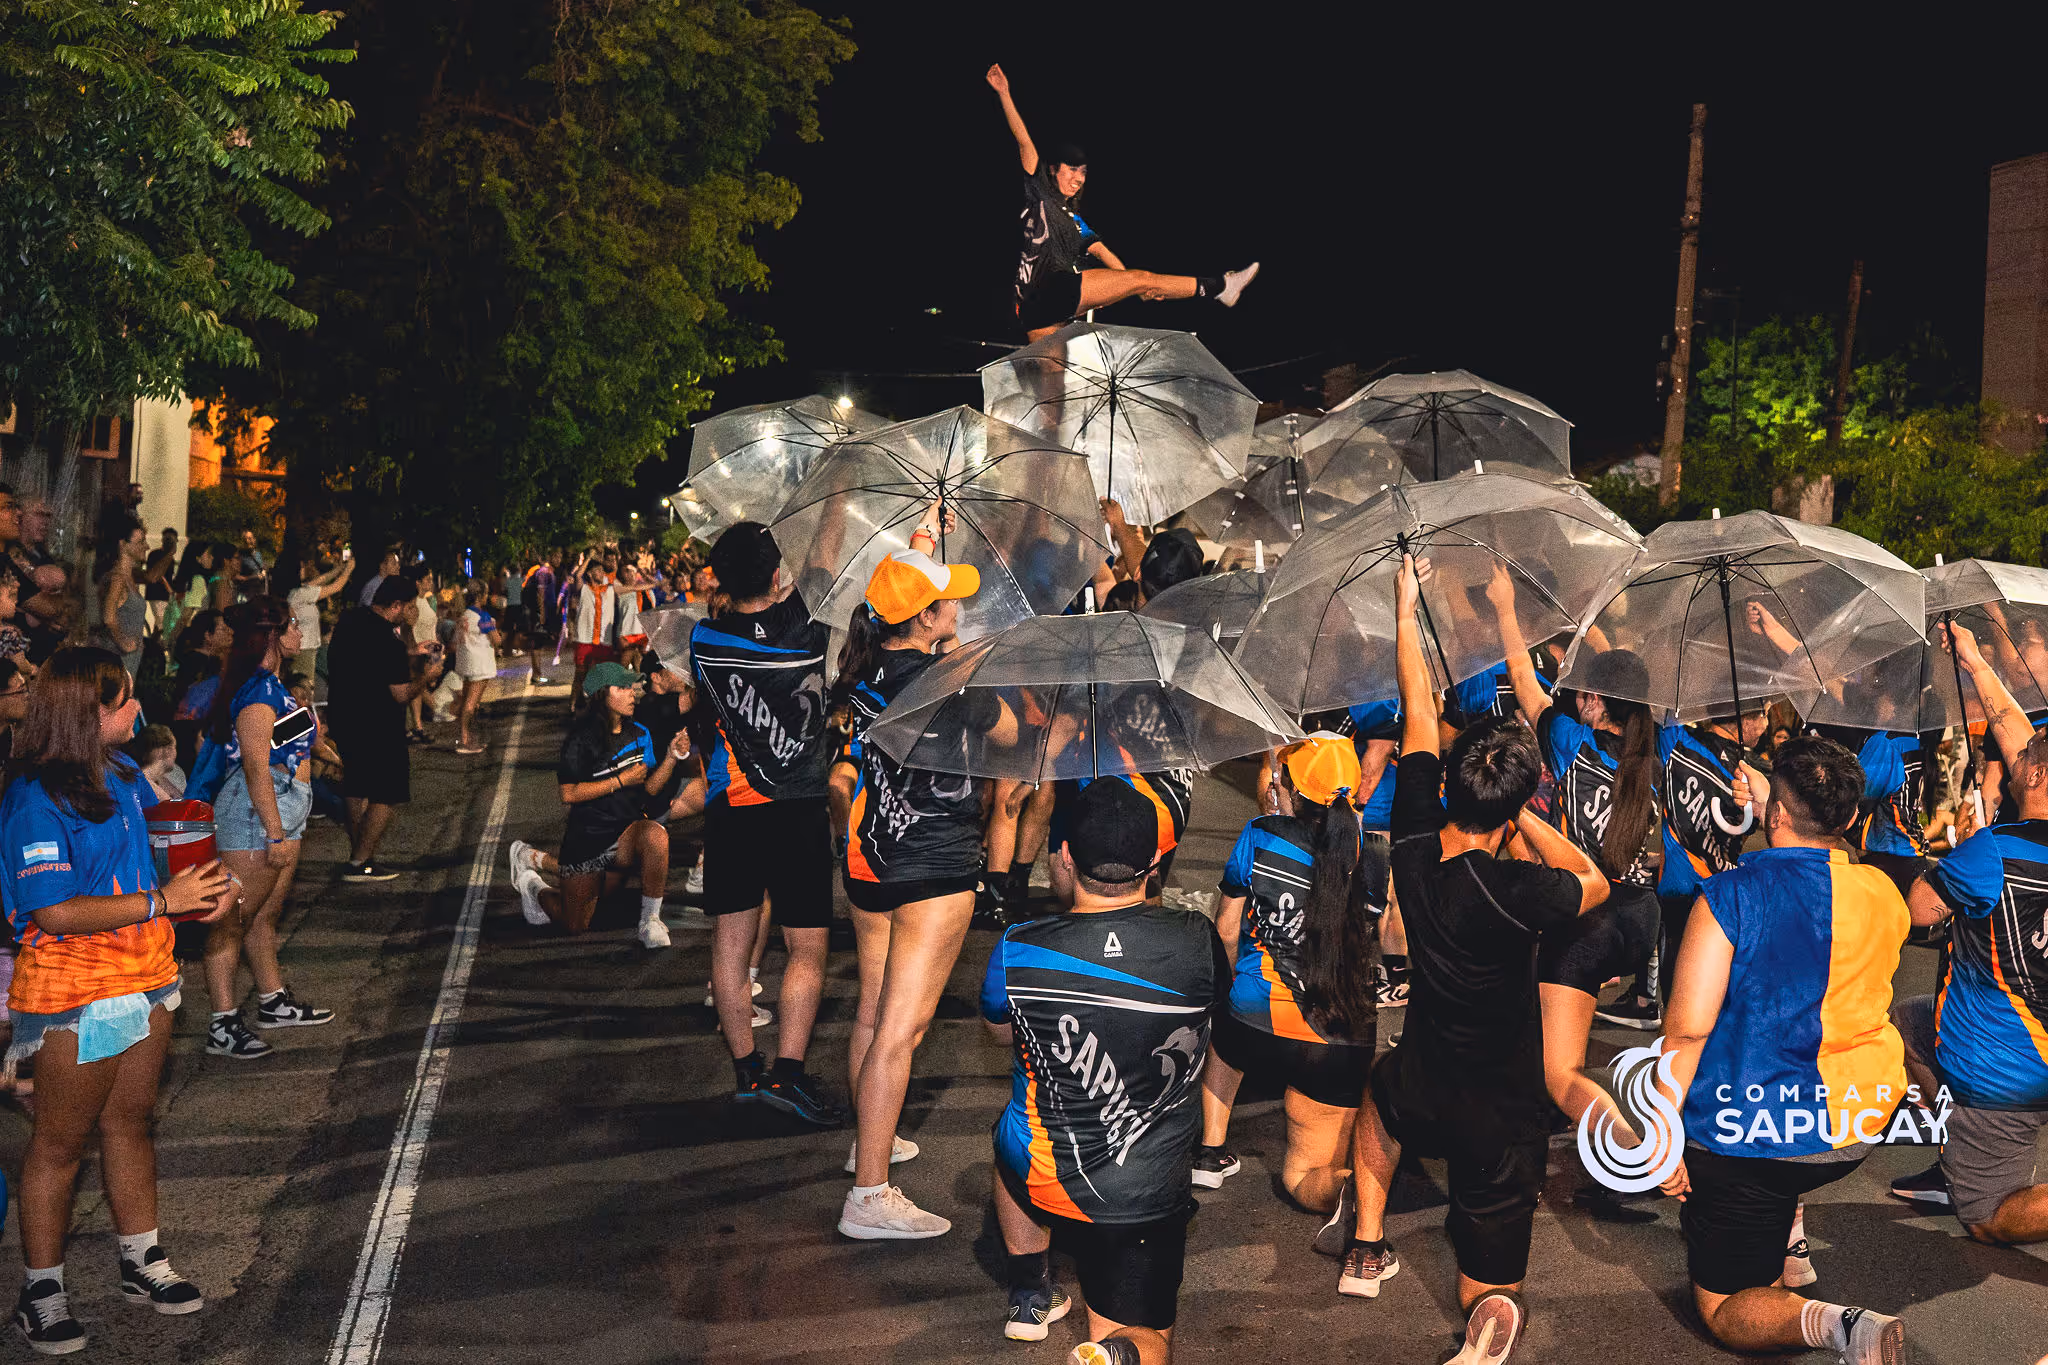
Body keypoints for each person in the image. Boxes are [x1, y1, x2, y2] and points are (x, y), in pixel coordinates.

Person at [1341, 555, 1607, 1365]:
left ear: (1451, 783)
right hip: (1501, 1101)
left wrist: (1404, 601)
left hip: (1425, 1067)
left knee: (1379, 1101)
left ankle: (1366, 1244)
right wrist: (1525, 820)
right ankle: (1488, 1316)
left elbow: (1419, 709)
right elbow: (1592, 882)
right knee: (1490, 1280)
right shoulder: (1516, 887)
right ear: (1514, 803)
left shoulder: (1418, 841)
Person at [0, 648, 235, 1353]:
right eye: (126, 700)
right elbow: (54, 913)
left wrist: (212, 883)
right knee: (59, 1142)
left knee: (131, 1122)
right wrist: (163, 899)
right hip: (70, 994)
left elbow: (161, 852)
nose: (139, 710)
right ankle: (41, 1288)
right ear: (87, 713)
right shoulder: (33, 799)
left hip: (146, 977)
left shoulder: (127, 773)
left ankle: (143, 1261)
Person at [1656, 735, 1909, 1364]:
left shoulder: (1733, 895)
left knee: (1723, 1308)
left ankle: (1841, 1326)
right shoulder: (1885, 893)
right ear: (1851, 816)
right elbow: (1819, 861)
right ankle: (1782, 1244)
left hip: (1756, 1131)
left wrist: (1662, 1139)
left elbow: (1686, 1032)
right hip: (1858, 1122)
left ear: (1774, 813)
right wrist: (1784, 805)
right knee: (1780, 1162)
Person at [983, 778, 1228, 1362]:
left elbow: (1000, 1034)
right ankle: (1117, 1354)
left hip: (1045, 1177)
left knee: (1013, 1126)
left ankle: (1028, 1291)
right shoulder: (1198, 939)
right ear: (1154, 864)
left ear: (1064, 857)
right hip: (1143, 1195)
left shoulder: (1017, 948)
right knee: (1145, 1340)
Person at [833, 545, 1017, 1239]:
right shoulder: (949, 681)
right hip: (931, 865)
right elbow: (1007, 732)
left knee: (873, 1015)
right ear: (926, 616)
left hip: (871, 855)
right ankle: (869, 1194)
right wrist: (968, 664)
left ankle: (866, 1142)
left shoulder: (867, 664)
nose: (959, 605)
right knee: (900, 1034)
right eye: (948, 599)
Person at [1889, 624, 2048, 1244]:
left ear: (2033, 779)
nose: (2012, 764)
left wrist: (1949, 855)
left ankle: (1971, 1155)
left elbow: (1920, 911)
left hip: (2005, 1060)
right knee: (1907, 1020)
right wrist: (1977, 663)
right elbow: (2017, 734)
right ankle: (1954, 1137)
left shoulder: (1994, 852)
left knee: (1985, 1217)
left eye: (2024, 763)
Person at [689, 524, 843, 1129]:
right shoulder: (806, 628)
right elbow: (826, 557)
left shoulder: (703, 640)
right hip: (798, 808)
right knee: (805, 947)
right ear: (777, 575)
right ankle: (790, 1074)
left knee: (732, 944)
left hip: (733, 809)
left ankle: (747, 1072)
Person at [1197, 734, 1381, 1227]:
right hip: (1332, 1040)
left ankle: (1210, 1150)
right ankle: (1349, 1187)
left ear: (1293, 790)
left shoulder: (1259, 834)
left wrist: (1225, 999)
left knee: (1224, 1036)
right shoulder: (1373, 853)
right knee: (1304, 1176)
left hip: (1252, 1025)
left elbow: (1228, 930)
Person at [985, 64, 1258, 340]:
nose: (1078, 178)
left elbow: (1104, 254)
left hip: (1037, 312)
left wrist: (1134, 289)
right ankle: (1220, 287)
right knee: (1143, 278)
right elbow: (1024, 142)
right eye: (1071, 169)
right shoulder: (1039, 190)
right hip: (1046, 290)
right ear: (1053, 169)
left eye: (1083, 173)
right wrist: (1004, 93)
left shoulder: (1075, 220)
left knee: (1054, 380)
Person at [191, 598, 333, 1060]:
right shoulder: (256, 691)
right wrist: (274, 832)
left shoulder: (270, 686)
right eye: (293, 624)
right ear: (272, 636)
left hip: (279, 809)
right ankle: (223, 1023)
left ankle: (271, 1000)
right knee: (232, 920)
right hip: (256, 815)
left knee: (263, 914)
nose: (300, 631)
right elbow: (254, 765)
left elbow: (280, 747)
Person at [505, 662, 686, 944]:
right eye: (622, 688)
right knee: (574, 924)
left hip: (625, 835)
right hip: (588, 841)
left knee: (655, 835)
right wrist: (621, 781)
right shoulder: (581, 739)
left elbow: (650, 788)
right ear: (602, 695)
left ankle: (650, 921)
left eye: (631, 687)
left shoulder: (640, 733)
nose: (631, 694)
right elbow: (569, 793)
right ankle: (533, 886)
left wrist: (672, 757)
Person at [326, 577, 446, 881]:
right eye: (410, 607)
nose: (413, 613)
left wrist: (411, 652)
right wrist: (428, 676)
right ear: (396, 606)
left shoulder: (350, 622)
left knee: (356, 785)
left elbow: (366, 659)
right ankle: (361, 862)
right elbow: (401, 694)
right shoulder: (388, 642)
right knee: (386, 791)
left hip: (344, 714)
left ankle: (358, 854)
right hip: (377, 723)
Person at [96, 517, 150, 679]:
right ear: (123, 545)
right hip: (117, 661)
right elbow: (108, 617)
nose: (146, 546)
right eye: (140, 542)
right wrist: (124, 642)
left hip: (130, 661)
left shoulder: (128, 578)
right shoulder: (118, 578)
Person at [286, 555, 350, 684]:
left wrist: (339, 569)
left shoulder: (296, 591)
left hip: (305, 647)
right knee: (306, 687)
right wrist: (349, 568)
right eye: (302, 567)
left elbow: (321, 580)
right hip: (304, 649)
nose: (305, 569)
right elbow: (336, 587)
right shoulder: (301, 594)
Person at [452, 582, 500, 755]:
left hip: (465, 663)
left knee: (467, 702)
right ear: (480, 596)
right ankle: (465, 740)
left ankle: (467, 737)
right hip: (479, 665)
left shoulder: (463, 615)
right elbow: (497, 640)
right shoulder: (483, 616)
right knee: (471, 704)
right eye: (486, 593)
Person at [126, 724, 185, 801]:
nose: (176, 752)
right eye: (174, 747)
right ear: (167, 750)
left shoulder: (161, 781)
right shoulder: (140, 782)